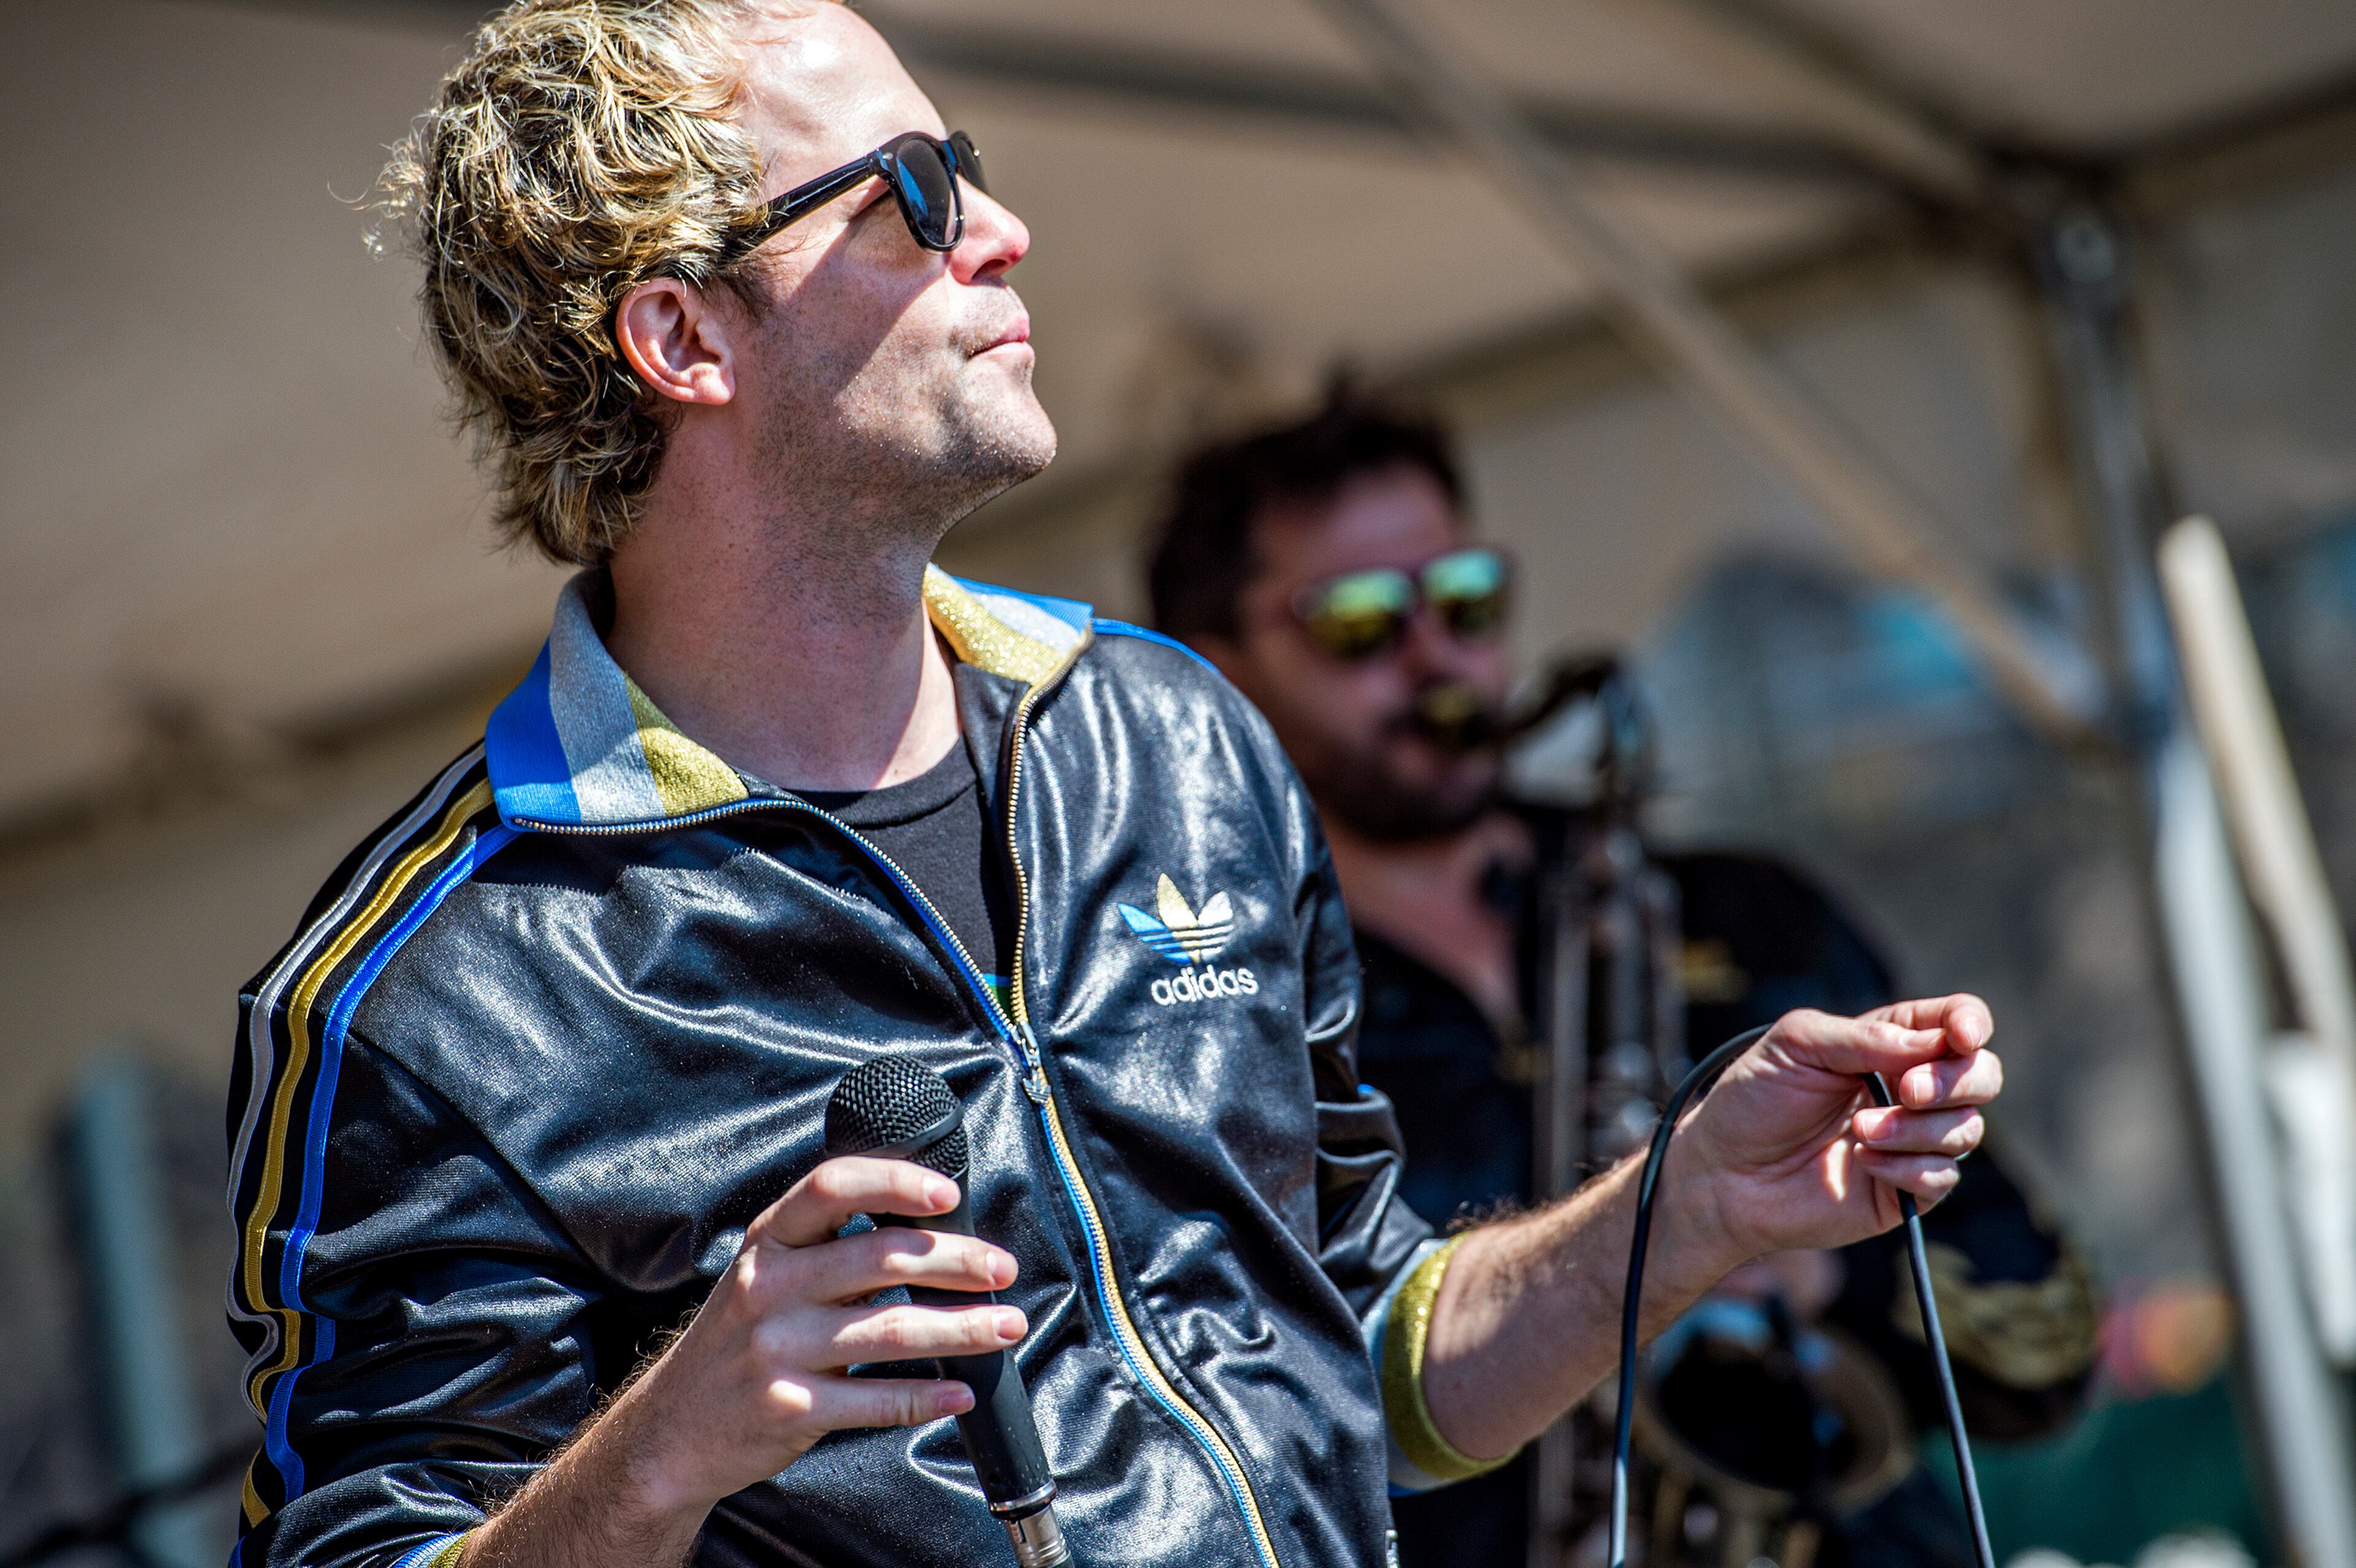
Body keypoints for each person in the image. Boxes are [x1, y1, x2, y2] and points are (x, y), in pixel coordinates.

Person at [224, 8, 2003, 1568]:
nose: (1001, 231)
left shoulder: (1171, 733)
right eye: (910, 194)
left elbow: (1362, 1349)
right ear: (684, 339)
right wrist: (669, 1448)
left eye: (969, 170)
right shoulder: (431, 1000)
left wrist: (1683, 1210)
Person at [1145, 385, 2093, 1568]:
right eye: (1357, 626)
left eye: (1467, 602)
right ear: (1211, 673)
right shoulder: (1204, 1012)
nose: (1438, 656)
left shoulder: (1750, 921)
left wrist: (1800, 1265)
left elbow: (2046, 1345)